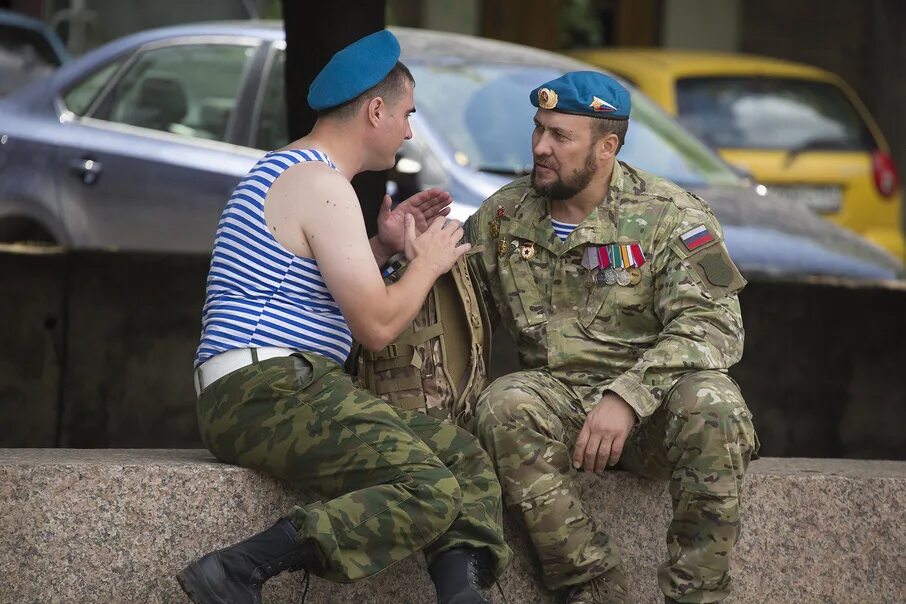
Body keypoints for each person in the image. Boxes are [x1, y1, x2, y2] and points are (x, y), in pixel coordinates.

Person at [177, 30, 512, 604]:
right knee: (427, 484)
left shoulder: (297, 174)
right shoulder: (320, 185)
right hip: (266, 389)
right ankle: (238, 570)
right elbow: (377, 327)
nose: (409, 130)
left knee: (460, 453)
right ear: (375, 110)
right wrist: (426, 264)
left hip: (270, 386)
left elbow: (307, 283)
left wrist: (381, 250)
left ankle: (464, 596)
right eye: (407, 114)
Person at [464, 71, 759, 604]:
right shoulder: (504, 216)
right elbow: (451, 297)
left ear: (607, 147)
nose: (540, 147)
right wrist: (399, 253)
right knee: (503, 403)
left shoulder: (670, 216)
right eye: (539, 130)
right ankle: (595, 589)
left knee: (715, 403)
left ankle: (698, 594)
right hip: (561, 409)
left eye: (560, 136)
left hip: (653, 417)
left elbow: (714, 326)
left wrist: (628, 395)